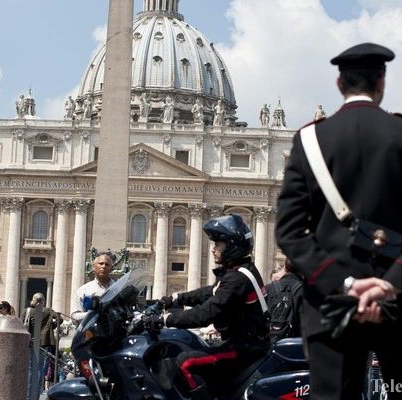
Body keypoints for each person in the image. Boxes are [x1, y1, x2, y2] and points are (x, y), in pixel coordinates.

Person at [276, 43, 402, 400]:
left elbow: (289, 233)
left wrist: (345, 282)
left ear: (338, 84)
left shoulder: (310, 140)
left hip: (331, 304)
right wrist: (389, 285)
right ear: (381, 83)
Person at [161, 214, 269, 399]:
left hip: (243, 349)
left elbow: (207, 312)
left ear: (232, 246)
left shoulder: (237, 278)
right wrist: (175, 298)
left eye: (218, 245)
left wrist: (165, 319)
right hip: (245, 343)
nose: (213, 250)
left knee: (183, 363)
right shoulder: (239, 272)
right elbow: (209, 293)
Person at [24, 293, 63, 394]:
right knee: (40, 369)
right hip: (43, 343)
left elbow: (21, 324)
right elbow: (60, 319)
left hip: (30, 343)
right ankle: (36, 394)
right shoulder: (48, 311)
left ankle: (28, 395)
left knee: (30, 369)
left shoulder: (28, 311)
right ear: (42, 301)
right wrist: (51, 327)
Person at [265, 259, 303, 343]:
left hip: (271, 341)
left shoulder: (269, 288)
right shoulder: (304, 290)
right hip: (295, 343)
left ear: (285, 268)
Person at [71, 252, 116, 322]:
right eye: (101, 263)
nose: (103, 266)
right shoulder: (83, 290)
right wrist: (94, 314)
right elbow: (74, 316)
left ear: (111, 269)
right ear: (93, 267)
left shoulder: (119, 288)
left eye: (107, 264)